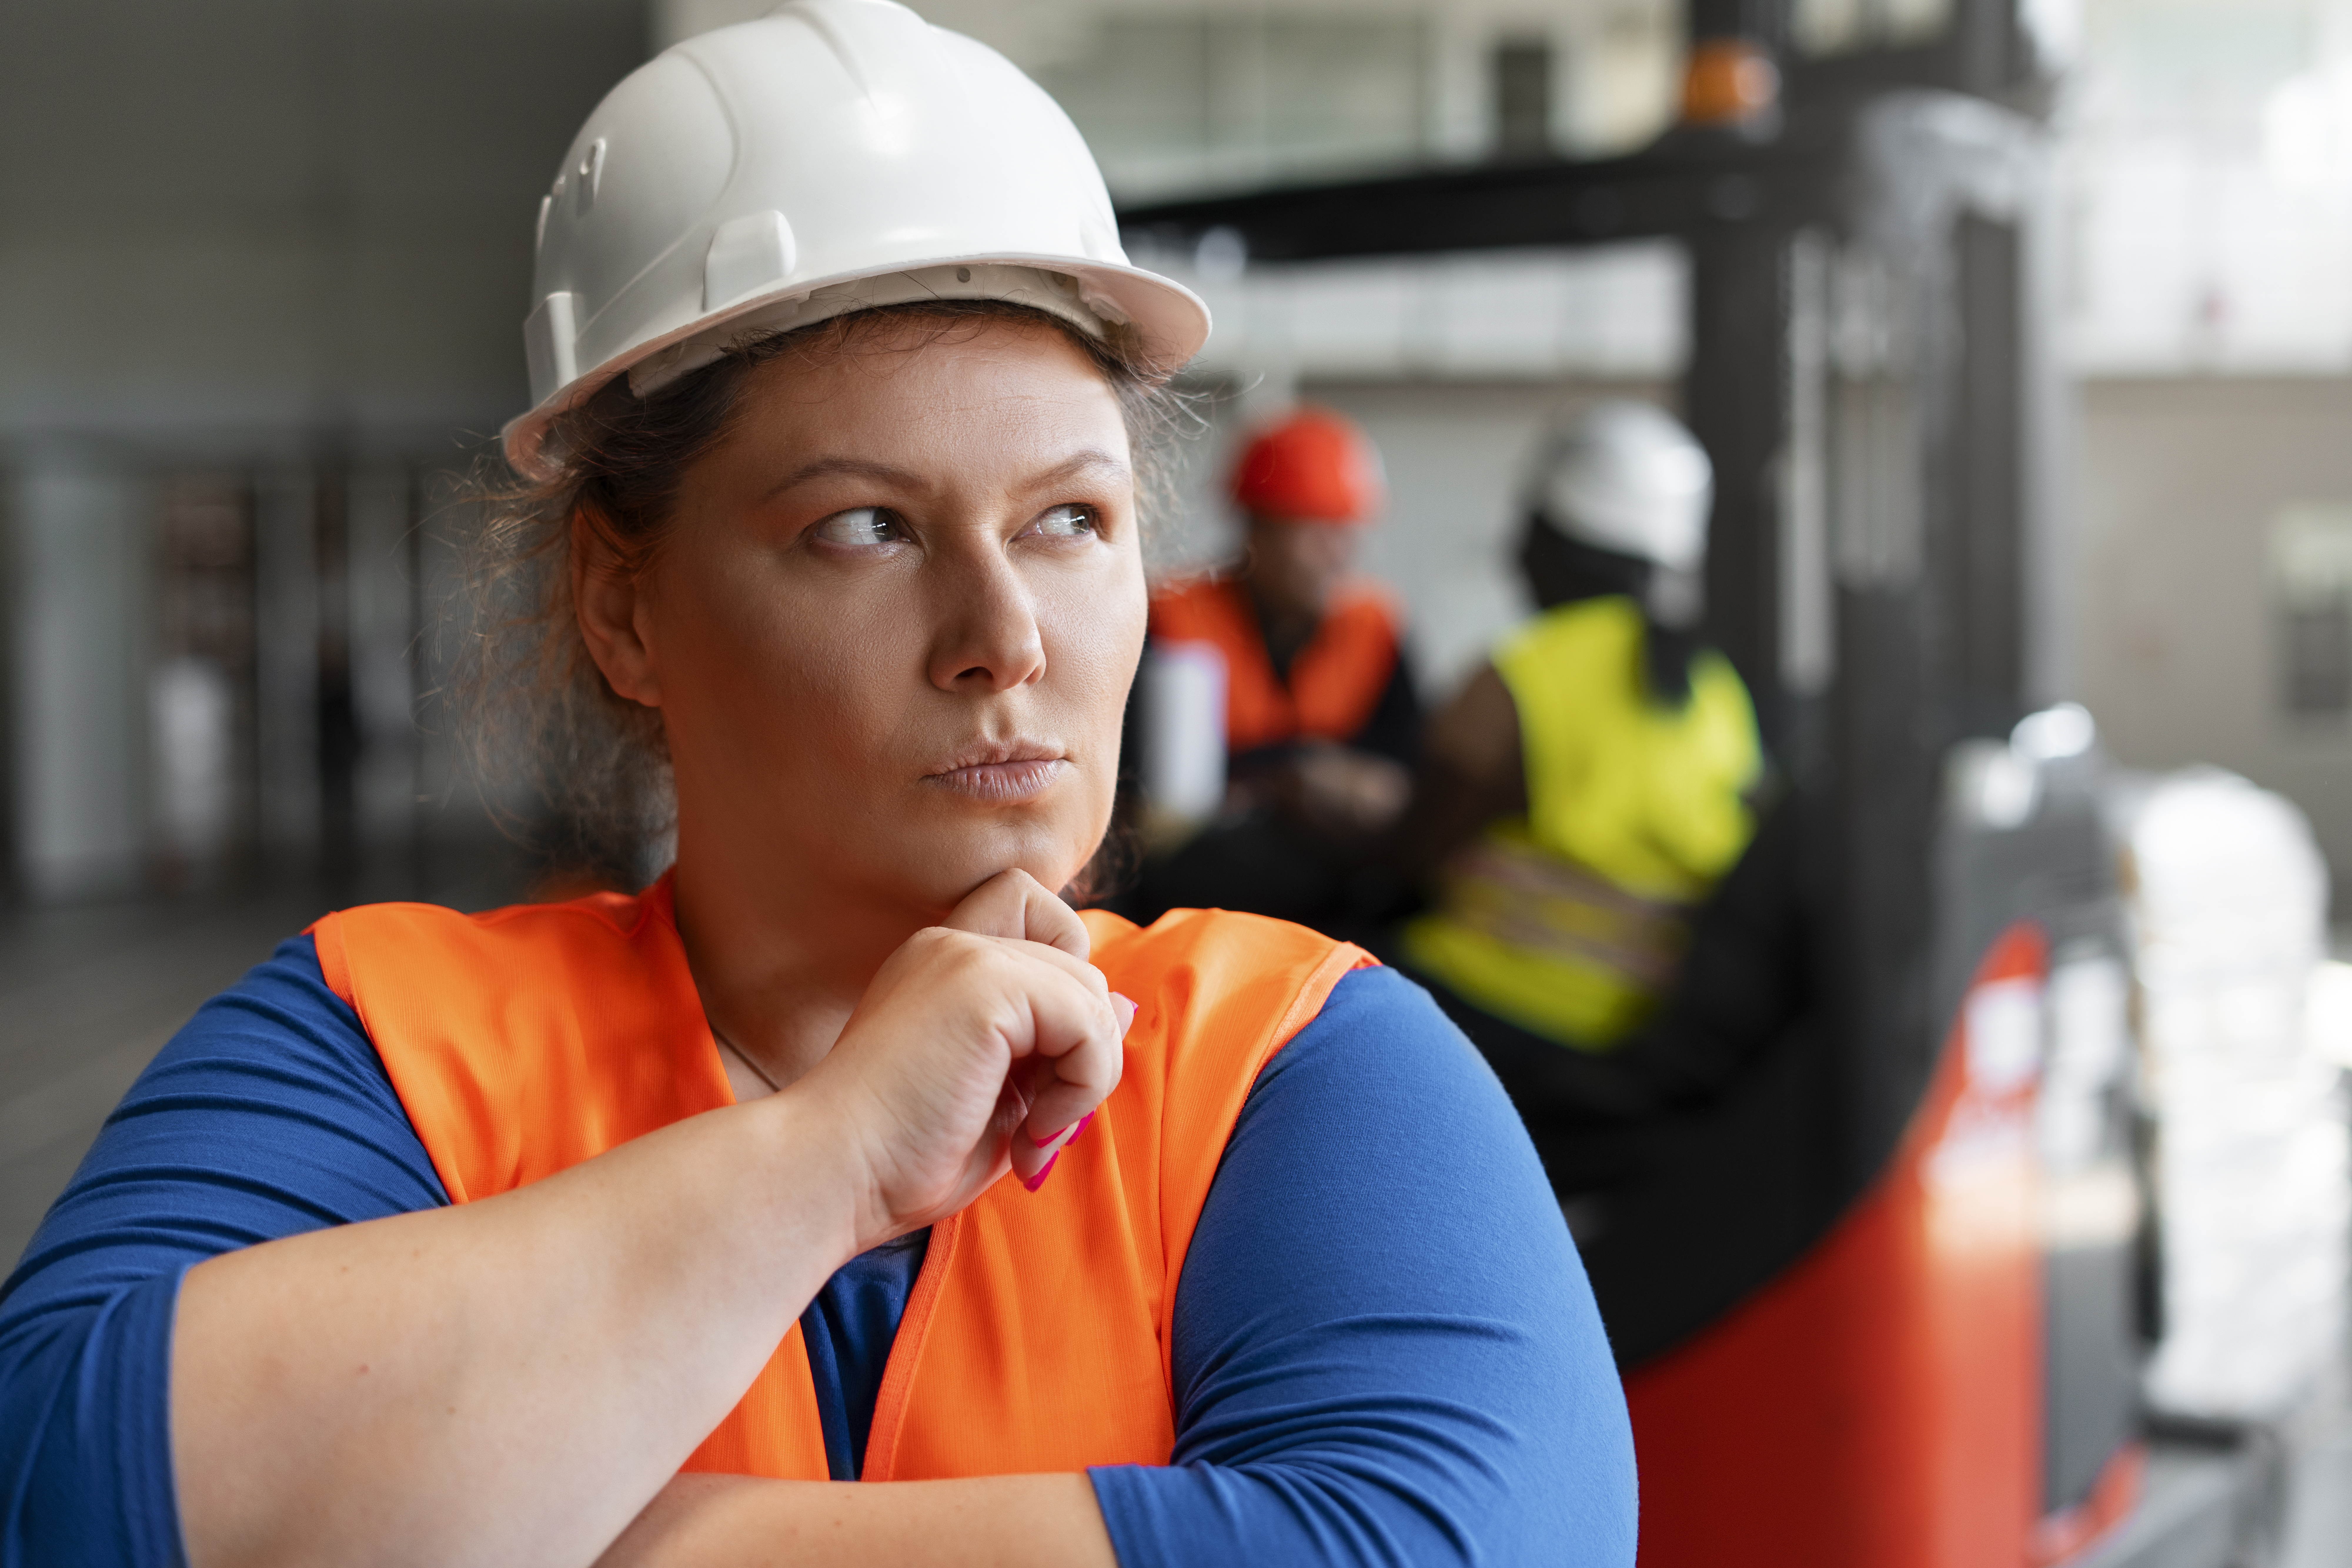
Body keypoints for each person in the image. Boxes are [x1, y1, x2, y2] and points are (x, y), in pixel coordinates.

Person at [0, 5, 1634, 1566]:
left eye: (1071, 519)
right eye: (865, 525)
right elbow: (56, 1495)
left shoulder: (1280, 1064)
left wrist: (476, 1522)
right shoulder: (394, 1048)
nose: (1005, 637)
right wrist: (834, 1158)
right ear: (626, 606)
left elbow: (1474, 1539)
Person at [1390, 402, 1763, 1113]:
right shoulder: (1716, 693)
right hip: (1646, 1039)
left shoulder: (1522, 677)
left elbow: (1408, 856)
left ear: (1549, 541)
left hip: (1495, 1012)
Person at [1126, 409, 1418, 927]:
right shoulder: (1171, 620)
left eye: (1346, 533)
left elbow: (1407, 778)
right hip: (1198, 886)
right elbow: (1144, 792)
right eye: (1315, 532)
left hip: (1337, 894)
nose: (1337, 555)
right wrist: (1296, 774)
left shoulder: (1378, 631)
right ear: (1256, 530)